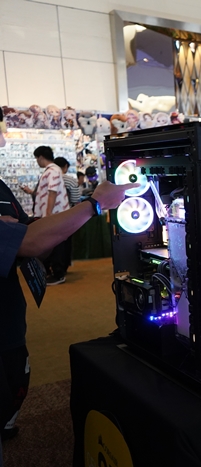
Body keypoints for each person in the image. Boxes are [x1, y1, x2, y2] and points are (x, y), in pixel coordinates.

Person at [0, 176, 139, 465]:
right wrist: (94, 204)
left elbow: (32, 239)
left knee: (13, 381)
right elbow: (29, 241)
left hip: (10, 321)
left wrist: (29, 232)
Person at [30, 146, 70, 285]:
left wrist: (48, 214)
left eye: (37, 158)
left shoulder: (53, 170)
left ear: (41, 157)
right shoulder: (52, 170)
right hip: (54, 215)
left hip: (54, 215)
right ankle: (55, 272)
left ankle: (58, 274)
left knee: (56, 245)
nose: (37, 161)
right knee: (54, 244)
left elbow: (52, 192)